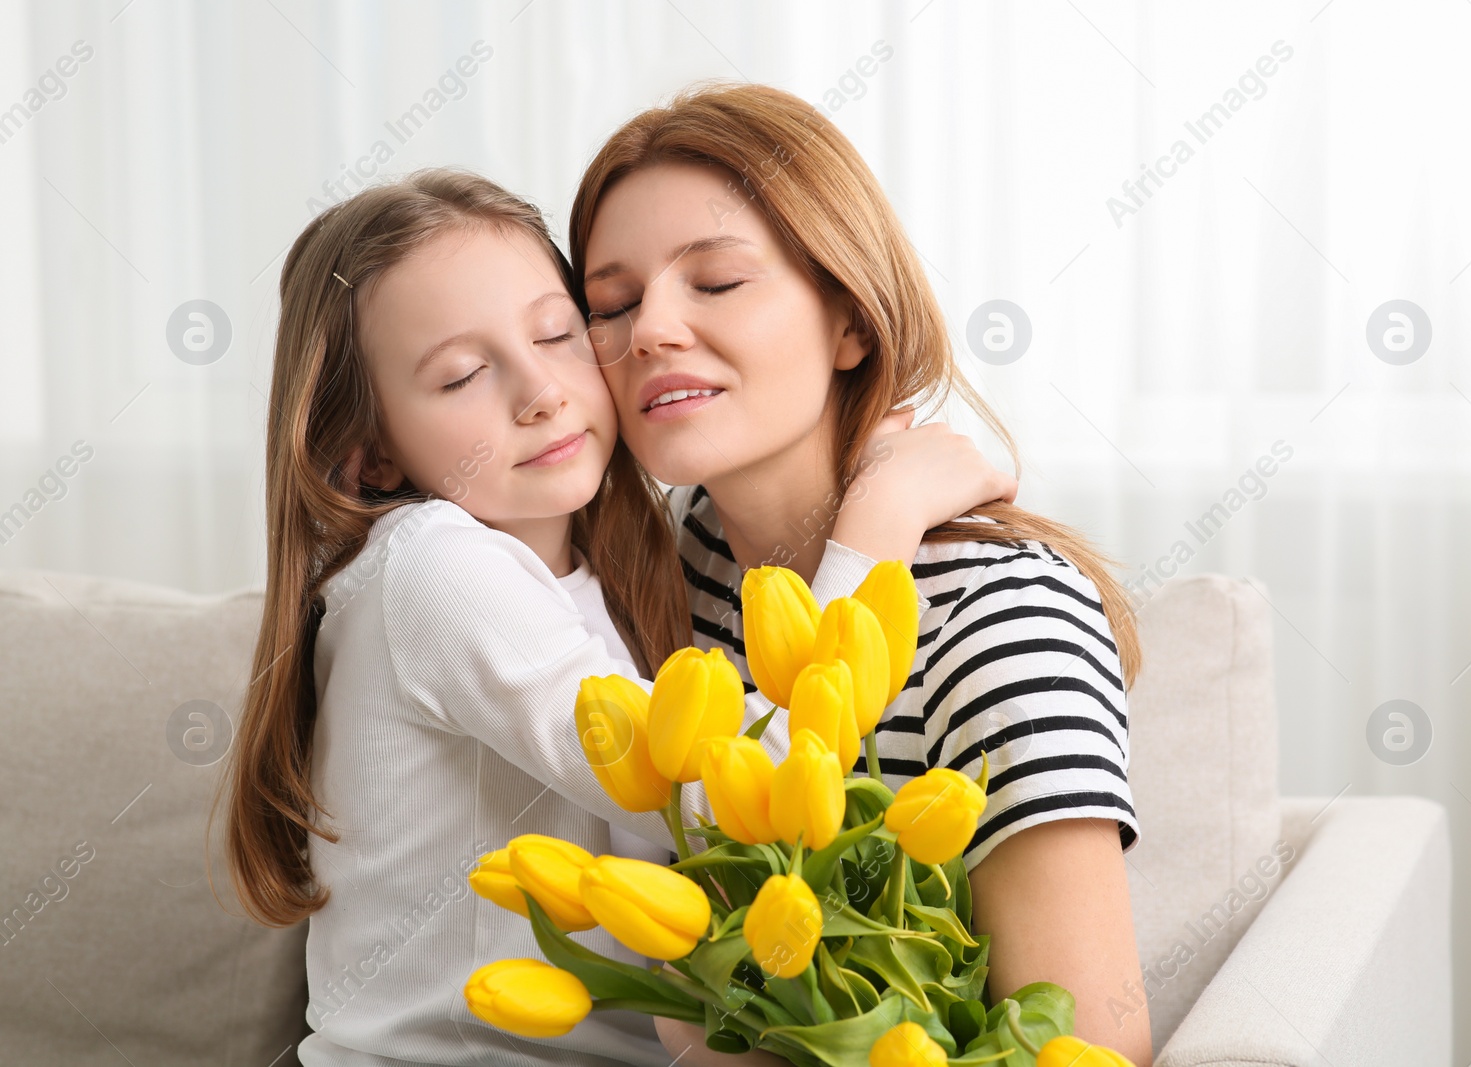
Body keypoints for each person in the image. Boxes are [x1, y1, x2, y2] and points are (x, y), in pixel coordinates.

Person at [215, 168, 1013, 1066]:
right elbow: (748, 796)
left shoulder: (607, 578)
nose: (541, 391)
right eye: (464, 375)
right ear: (369, 460)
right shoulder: (431, 566)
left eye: (557, 334)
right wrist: (880, 519)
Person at [570, 83, 1153, 1066]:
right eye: (612, 304)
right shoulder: (676, 566)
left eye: (714, 282)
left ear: (850, 321)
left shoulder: (999, 610)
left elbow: (1091, 1036)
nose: (649, 330)